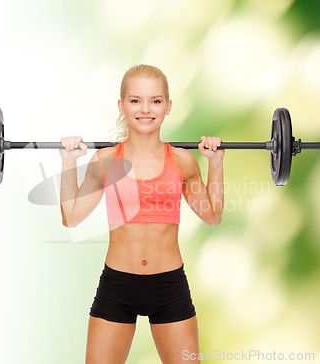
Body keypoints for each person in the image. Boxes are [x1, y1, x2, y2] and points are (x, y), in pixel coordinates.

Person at [59, 64, 224, 364]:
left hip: (169, 286)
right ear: (121, 105)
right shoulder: (106, 160)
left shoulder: (183, 161)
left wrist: (215, 163)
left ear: (168, 106)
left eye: (155, 101)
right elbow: (71, 216)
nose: (145, 109)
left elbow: (212, 215)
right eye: (135, 100)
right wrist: (68, 161)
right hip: (117, 286)